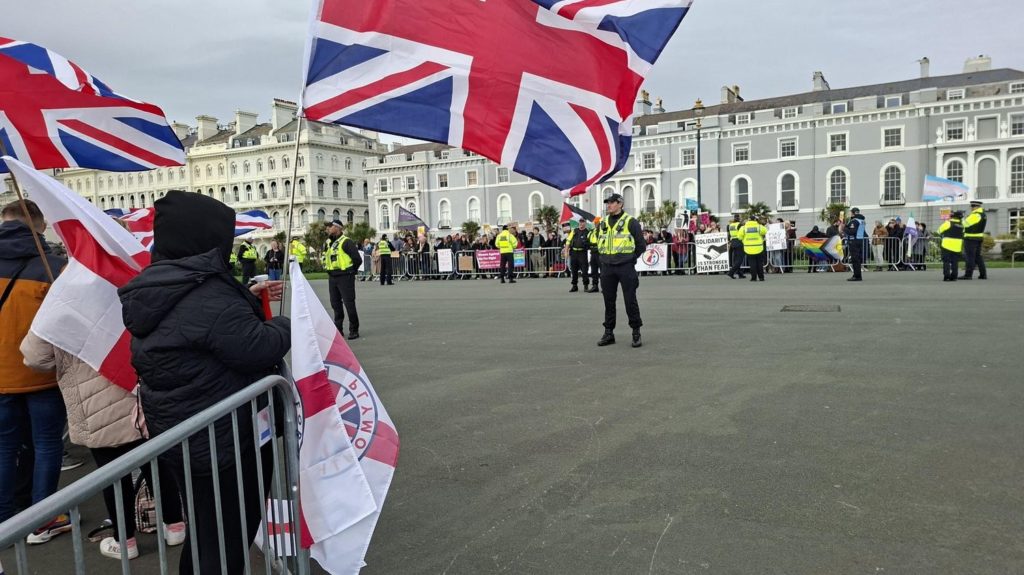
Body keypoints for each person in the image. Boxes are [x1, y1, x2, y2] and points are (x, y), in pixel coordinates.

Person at [118, 190, 289, 575]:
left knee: (208, 528)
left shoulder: (163, 283)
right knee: (228, 535)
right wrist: (284, 324)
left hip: (185, 432)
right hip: (226, 437)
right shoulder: (207, 290)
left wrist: (243, 299)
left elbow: (197, 326)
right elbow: (255, 346)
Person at [21, 332, 186, 560]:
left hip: (92, 405)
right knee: (155, 462)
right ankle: (175, 525)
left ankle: (124, 540)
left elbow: (35, 357)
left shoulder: (57, 309)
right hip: (132, 392)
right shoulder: (113, 296)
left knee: (113, 477)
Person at [0, 200, 69, 544]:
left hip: (0, 377)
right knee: (45, 444)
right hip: (41, 373)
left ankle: (5, 518)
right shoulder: (51, 266)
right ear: (39, 227)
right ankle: (43, 518)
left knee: (4, 447)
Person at [596, 193, 645, 348]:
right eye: (607, 203)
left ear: (620, 204)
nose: (608, 205)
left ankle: (636, 332)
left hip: (625, 266)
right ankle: (609, 332)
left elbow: (641, 245)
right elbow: (598, 241)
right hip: (607, 267)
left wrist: (630, 258)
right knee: (608, 301)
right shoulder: (602, 223)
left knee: (630, 300)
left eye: (611, 202)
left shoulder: (631, 222)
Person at [324, 220, 363, 339]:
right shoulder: (329, 242)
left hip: (345, 276)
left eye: (330, 227)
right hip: (332, 277)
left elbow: (357, 259)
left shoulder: (346, 242)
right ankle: (338, 330)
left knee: (349, 303)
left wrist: (351, 271)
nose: (328, 229)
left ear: (338, 228)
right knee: (335, 304)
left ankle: (354, 330)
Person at [961, 200, 987, 280]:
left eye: (972, 206)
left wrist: (962, 218)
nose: (971, 208)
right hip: (978, 237)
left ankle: (968, 275)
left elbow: (965, 224)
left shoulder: (975, 215)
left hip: (970, 238)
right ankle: (983, 274)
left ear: (976, 207)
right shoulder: (983, 214)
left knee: (970, 257)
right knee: (978, 257)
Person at [563, 220, 590, 292]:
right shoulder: (574, 231)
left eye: (583, 222)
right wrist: (566, 251)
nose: (581, 223)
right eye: (580, 222)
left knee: (584, 270)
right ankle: (574, 286)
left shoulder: (588, 232)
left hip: (582, 253)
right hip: (574, 252)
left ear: (585, 223)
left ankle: (586, 285)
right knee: (574, 270)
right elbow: (568, 240)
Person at [739, 215, 767, 282]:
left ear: (748, 220)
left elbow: (739, 237)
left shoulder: (744, 228)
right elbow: (765, 231)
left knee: (752, 264)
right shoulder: (759, 227)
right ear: (755, 220)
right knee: (760, 264)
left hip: (748, 248)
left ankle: (753, 278)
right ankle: (761, 278)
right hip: (759, 247)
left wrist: (744, 241)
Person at [938, 211, 965, 281]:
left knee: (946, 261)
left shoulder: (948, 223)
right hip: (957, 246)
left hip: (947, 245)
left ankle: (947, 276)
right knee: (955, 262)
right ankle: (954, 276)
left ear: (952, 216)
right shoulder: (962, 225)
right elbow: (963, 234)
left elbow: (939, 231)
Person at [844, 207, 868, 281]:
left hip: (854, 241)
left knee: (855, 260)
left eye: (851, 212)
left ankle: (857, 276)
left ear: (853, 213)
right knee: (857, 259)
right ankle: (857, 275)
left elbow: (851, 232)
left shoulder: (854, 221)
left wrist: (844, 228)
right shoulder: (862, 220)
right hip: (860, 240)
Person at [726, 213, 746, 279]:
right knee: (739, 260)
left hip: (733, 242)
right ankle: (731, 272)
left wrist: (729, 241)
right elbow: (743, 233)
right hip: (739, 242)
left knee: (736, 259)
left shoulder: (730, 225)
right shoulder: (739, 225)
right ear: (739, 218)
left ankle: (740, 274)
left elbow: (729, 235)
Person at [587, 221, 601, 291]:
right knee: (594, 270)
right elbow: (587, 240)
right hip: (593, 253)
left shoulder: (602, 231)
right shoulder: (592, 231)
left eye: (597, 223)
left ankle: (605, 287)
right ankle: (595, 286)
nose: (596, 224)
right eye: (595, 223)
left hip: (600, 253)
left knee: (603, 271)